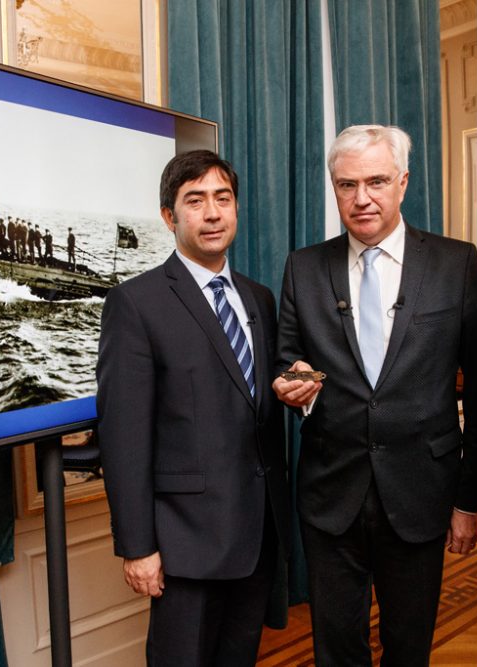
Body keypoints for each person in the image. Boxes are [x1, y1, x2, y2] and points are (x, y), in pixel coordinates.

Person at [272, 124, 477, 666]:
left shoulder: (456, 264)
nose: (361, 198)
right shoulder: (304, 266)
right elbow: (288, 357)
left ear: (403, 182)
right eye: (347, 185)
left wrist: (467, 499)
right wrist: (292, 381)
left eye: (376, 181)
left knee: (408, 646)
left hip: (421, 491)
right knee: (336, 649)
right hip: (329, 491)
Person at [97, 149, 291, 666]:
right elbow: (124, 436)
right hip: (185, 545)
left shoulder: (259, 299)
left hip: (256, 535)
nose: (211, 213)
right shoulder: (136, 303)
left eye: (222, 199)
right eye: (195, 200)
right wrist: (138, 547)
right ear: (169, 216)